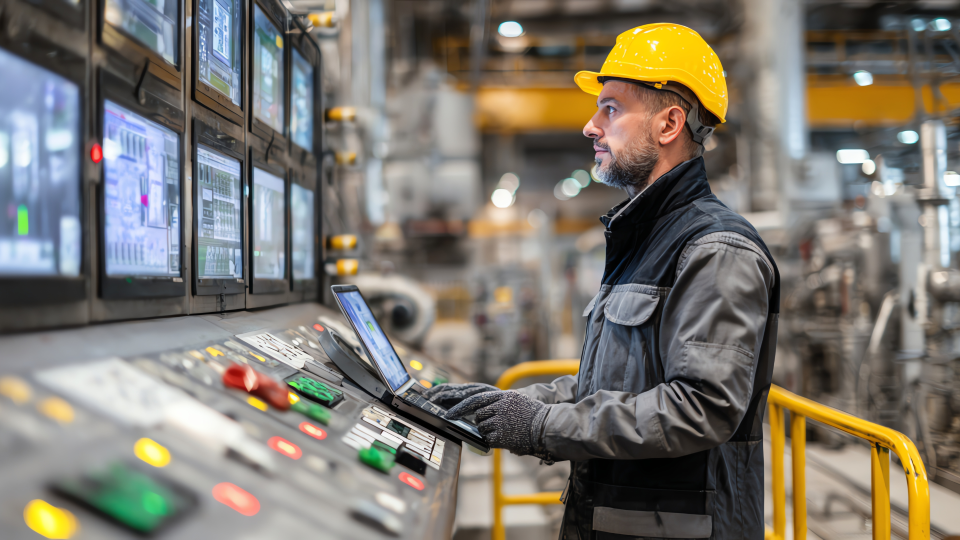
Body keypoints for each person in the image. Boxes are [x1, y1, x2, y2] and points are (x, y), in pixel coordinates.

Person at [425, 23, 779, 540]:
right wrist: (518, 405)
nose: (591, 126)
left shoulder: (714, 249)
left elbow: (703, 406)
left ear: (669, 124)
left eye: (610, 108)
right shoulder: (644, 239)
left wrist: (542, 428)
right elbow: (615, 387)